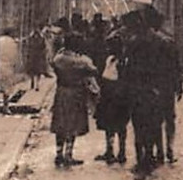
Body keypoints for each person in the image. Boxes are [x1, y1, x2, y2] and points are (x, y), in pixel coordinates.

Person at [121, 11, 162, 180]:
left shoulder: (133, 42)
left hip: (137, 90)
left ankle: (141, 160)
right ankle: (149, 156)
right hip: (153, 90)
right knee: (151, 124)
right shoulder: (159, 41)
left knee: (138, 126)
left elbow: (126, 67)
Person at [50, 32, 98, 167]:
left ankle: (58, 153)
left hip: (61, 91)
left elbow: (53, 65)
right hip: (75, 92)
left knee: (60, 123)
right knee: (72, 124)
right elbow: (94, 70)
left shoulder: (58, 58)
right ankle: (68, 154)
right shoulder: (80, 61)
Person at [147, 8, 182, 165]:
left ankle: (160, 150)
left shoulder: (148, 42)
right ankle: (169, 149)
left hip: (153, 87)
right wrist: (178, 85)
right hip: (167, 86)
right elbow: (176, 67)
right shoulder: (168, 42)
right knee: (169, 119)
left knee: (156, 120)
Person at [94, 32, 129, 164]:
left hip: (118, 97)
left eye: (111, 46)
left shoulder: (123, 62)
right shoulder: (109, 60)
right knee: (108, 125)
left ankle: (122, 152)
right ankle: (110, 150)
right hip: (108, 95)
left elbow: (123, 80)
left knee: (121, 125)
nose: (109, 49)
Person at [24, 24, 48, 91]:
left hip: (33, 56)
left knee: (33, 70)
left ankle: (34, 83)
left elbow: (28, 46)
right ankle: (36, 84)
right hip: (38, 56)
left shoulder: (31, 38)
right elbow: (44, 47)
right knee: (37, 71)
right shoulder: (41, 38)